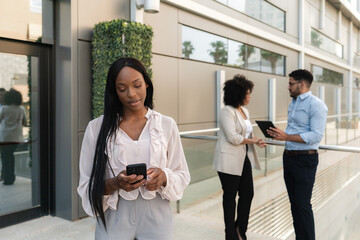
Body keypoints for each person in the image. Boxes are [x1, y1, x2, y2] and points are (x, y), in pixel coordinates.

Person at [77, 57, 190, 240]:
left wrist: (164, 177)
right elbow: (86, 184)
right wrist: (116, 183)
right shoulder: (96, 128)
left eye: (137, 85)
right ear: (114, 91)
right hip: (113, 220)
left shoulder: (166, 125)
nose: (131, 94)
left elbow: (182, 174)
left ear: (146, 83)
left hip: (157, 218)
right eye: (122, 89)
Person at [267, 69, 328, 240]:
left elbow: (316, 135)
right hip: (289, 157)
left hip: (305, 160)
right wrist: (280, 134)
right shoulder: (293, 103)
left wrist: (286, 136)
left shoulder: (316, 105)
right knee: (294, 205)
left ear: (301, 84)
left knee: (302, 205)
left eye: (291, 83)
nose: (288, 87)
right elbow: (295, 131)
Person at [213, 75, 266, 240]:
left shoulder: (245, 111)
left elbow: (246, 132)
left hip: (243, 158)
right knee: (230, 198)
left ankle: (239, 230)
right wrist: (253, 141)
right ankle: (231, 235)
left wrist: (257, 139)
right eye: (247, 94)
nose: (249, 97)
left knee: (248, 194)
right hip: (228, 160)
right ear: (237, 94)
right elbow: (233, 137)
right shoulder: (226, 111)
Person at [0, 89, 27, 185]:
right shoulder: (21, 109)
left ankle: (7, 178)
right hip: (16, 137)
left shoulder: (4, 108)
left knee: (5, 157)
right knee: (10, 156)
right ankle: (10, 177)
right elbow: (25, 122)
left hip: (4, 137)